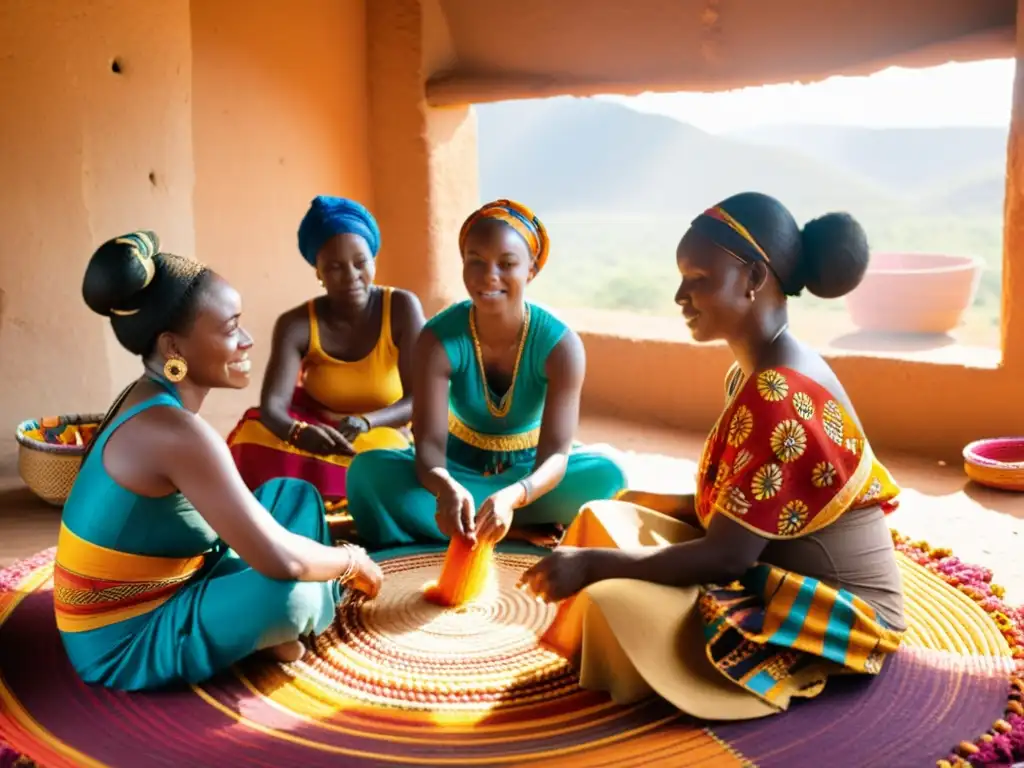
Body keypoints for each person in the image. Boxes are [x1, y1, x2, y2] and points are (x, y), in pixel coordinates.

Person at [519, 193, 907, 720]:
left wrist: (592, 565)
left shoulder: (779, 392)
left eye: (698, 278)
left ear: (752, 278)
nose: (680, 294)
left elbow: (728, 556)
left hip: (831, 615)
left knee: (612, 598)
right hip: (769, 562)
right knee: (600, 517)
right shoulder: (753, 370)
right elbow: (743, 507)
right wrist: (643, 503)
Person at [56, 231, 383, 692]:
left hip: (180, 574)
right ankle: (269, 629)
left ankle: (258, 628)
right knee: (292, 592)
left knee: (292, 495)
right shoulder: (176, 434)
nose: (247, 340)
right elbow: (283, 560)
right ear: (173, 349)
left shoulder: (146, 397)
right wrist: (352, 562)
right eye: (230, 329)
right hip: (124, 639)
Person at [345, 200, 627, 550]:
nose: (488, 275)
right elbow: (429, 443)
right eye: (475, 261)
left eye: (507, 264)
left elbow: (556, 454)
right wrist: (445, 486)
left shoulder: (560, 345)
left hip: (530, 475)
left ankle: (475, 527)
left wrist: (514, 496)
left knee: (609, 475)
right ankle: (505, 528)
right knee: (367, 474)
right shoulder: (437, 338)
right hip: (455, 469)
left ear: (531, 271)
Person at [227, 196, 424, 523]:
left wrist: (365, 422)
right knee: (253, 434)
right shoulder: (296, 324)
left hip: (379, 430)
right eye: (334, 267)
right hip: (315, 429)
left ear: (373, 259)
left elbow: (420, 398)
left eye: (360, 262)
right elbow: (273, 406)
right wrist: (299, 433)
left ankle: (317, 503)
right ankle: (307, 507)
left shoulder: (401, 307)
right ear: (318, 272)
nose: (350, 275)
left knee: (383, 457)